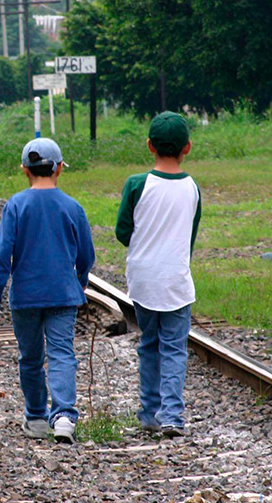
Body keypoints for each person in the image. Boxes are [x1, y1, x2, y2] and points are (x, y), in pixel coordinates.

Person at [0, 138, 96, 443]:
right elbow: (86, 253)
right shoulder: (73, 207)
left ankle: (36, 418)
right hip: (63, 295)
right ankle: (62, 418)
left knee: (31, 357)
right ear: (60, 169)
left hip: (26, 297)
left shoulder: (16, 205)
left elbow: (1, 256)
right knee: (62, 354)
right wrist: (81, 279)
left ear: (25, 170)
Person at [115, 111, 201, 438]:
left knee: (149, 343)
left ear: (149, 145)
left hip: (143, 280)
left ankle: (149, 412)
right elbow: (188, 238)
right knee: (175, 349)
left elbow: (124, 231)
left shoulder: (137, 184)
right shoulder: (192, 187)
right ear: (188, 148)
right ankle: (172, 417)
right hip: (177, 280)